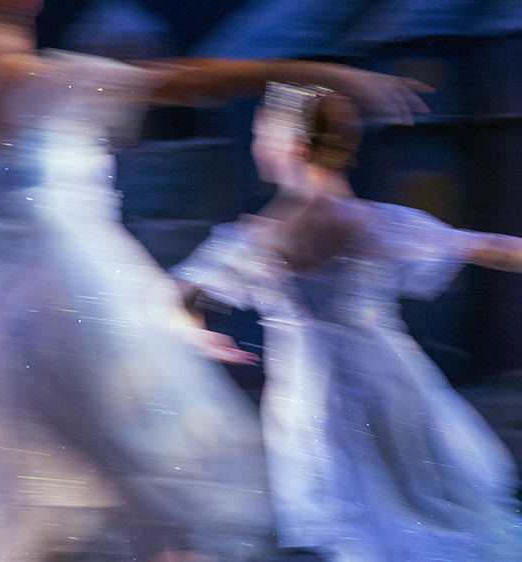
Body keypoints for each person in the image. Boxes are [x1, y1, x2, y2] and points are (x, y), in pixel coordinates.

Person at [0, 4, 435, 559]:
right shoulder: (43, 83)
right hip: (81, 301)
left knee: (27, 484)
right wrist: (323, 72)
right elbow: (193, 79)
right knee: (159, 475)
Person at [172, 83, 522, 560]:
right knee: (427, 509)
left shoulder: (256, 240)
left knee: (362, 521)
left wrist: (202, 336)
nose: (257, 146)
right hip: (388, 383)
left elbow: (179, 298)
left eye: (262, 134)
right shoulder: (377, 224)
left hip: (312, 397)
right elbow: (491, 247)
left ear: (289, 145)